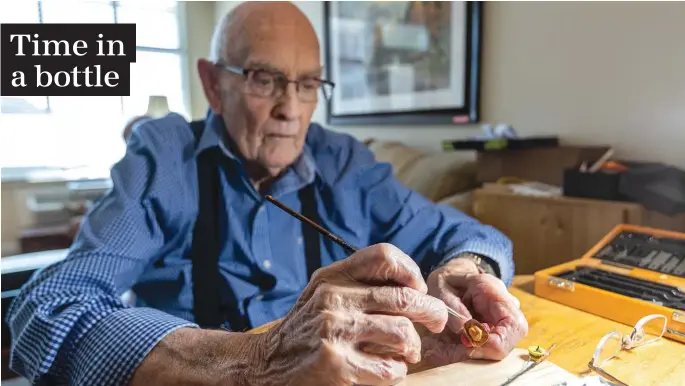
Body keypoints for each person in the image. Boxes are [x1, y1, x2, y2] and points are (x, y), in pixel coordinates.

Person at [6, 2, 527, 385]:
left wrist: (467, 270)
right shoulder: (163, 157)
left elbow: (465, 234)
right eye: (264, 79)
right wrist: (252, 360)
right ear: (213, 86)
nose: (291, 109)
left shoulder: (343, 162)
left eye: (307, 85)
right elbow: (46, 310)